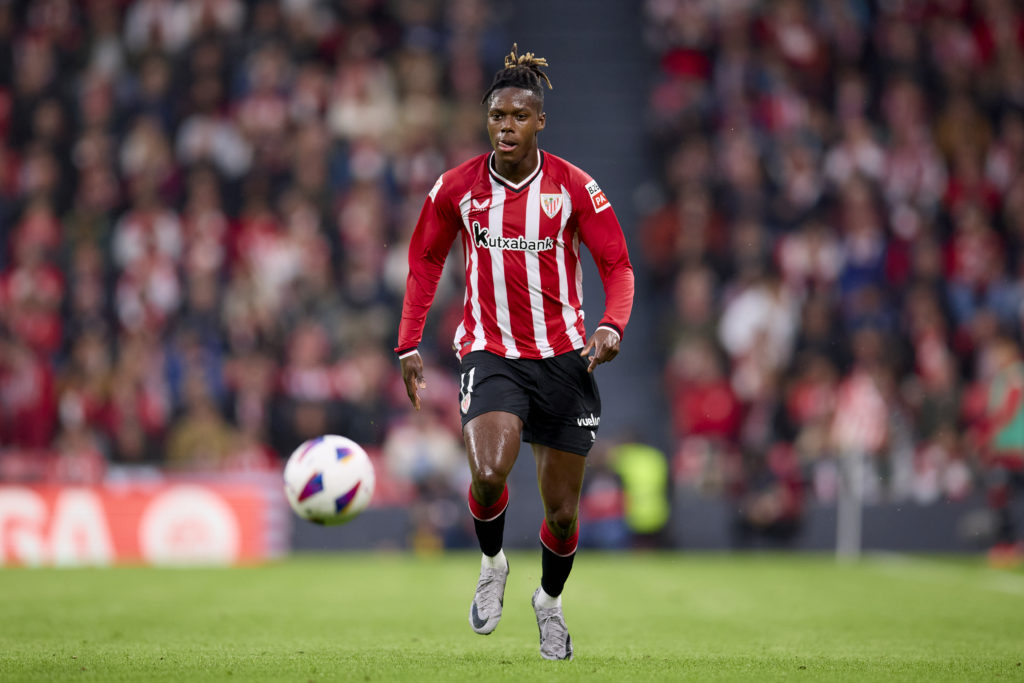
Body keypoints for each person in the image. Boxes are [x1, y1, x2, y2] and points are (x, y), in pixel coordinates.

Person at [395, 44, 634, 660]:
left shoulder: (574, 188)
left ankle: (549, 604)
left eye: (519, 116)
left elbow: (617, 264)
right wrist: (409, 341)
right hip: (490, 350)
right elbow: (425, 260)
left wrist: (612, 324)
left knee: (560, 515)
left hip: (564, 360)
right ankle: (493, 562)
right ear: (488, 119)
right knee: (489, 468)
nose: (507, 126)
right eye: (497, 115)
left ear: (540, 123)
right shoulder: (457, 188)